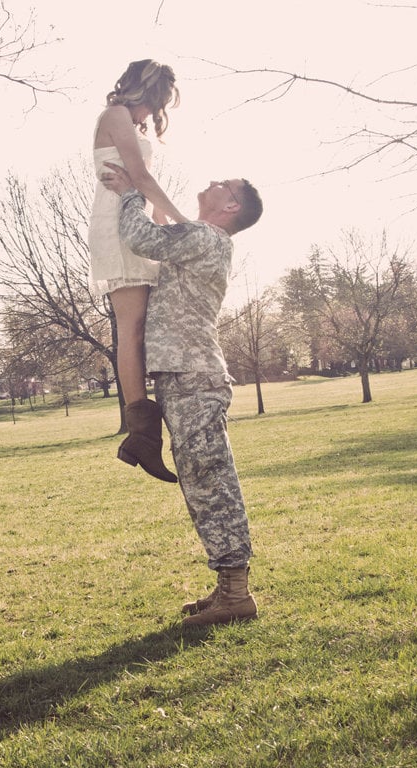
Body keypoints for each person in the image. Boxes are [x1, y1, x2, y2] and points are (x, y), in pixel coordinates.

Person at [101, 163, 264, 627]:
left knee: (211, 481)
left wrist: (131, 193)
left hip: (194, 378)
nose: (214, 181)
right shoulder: (200, 238)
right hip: (183, 377)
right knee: (199, 482)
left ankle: (237, 595)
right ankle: (226, 589)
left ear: (230, 206)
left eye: (224, 184)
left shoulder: (209, 238)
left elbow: (143, 239)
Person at [88, 59, 188, 484]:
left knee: (144, 324)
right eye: (154, 102)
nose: (153, 113)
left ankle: (146, 431)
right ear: (140, 91)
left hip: (135, 221)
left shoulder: (128, 121)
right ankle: (142, 435)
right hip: (117, 223)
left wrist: (161, 227)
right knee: (131, 328)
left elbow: (141, 185)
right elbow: (141, 177)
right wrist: (185, 224)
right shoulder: (113, 115)